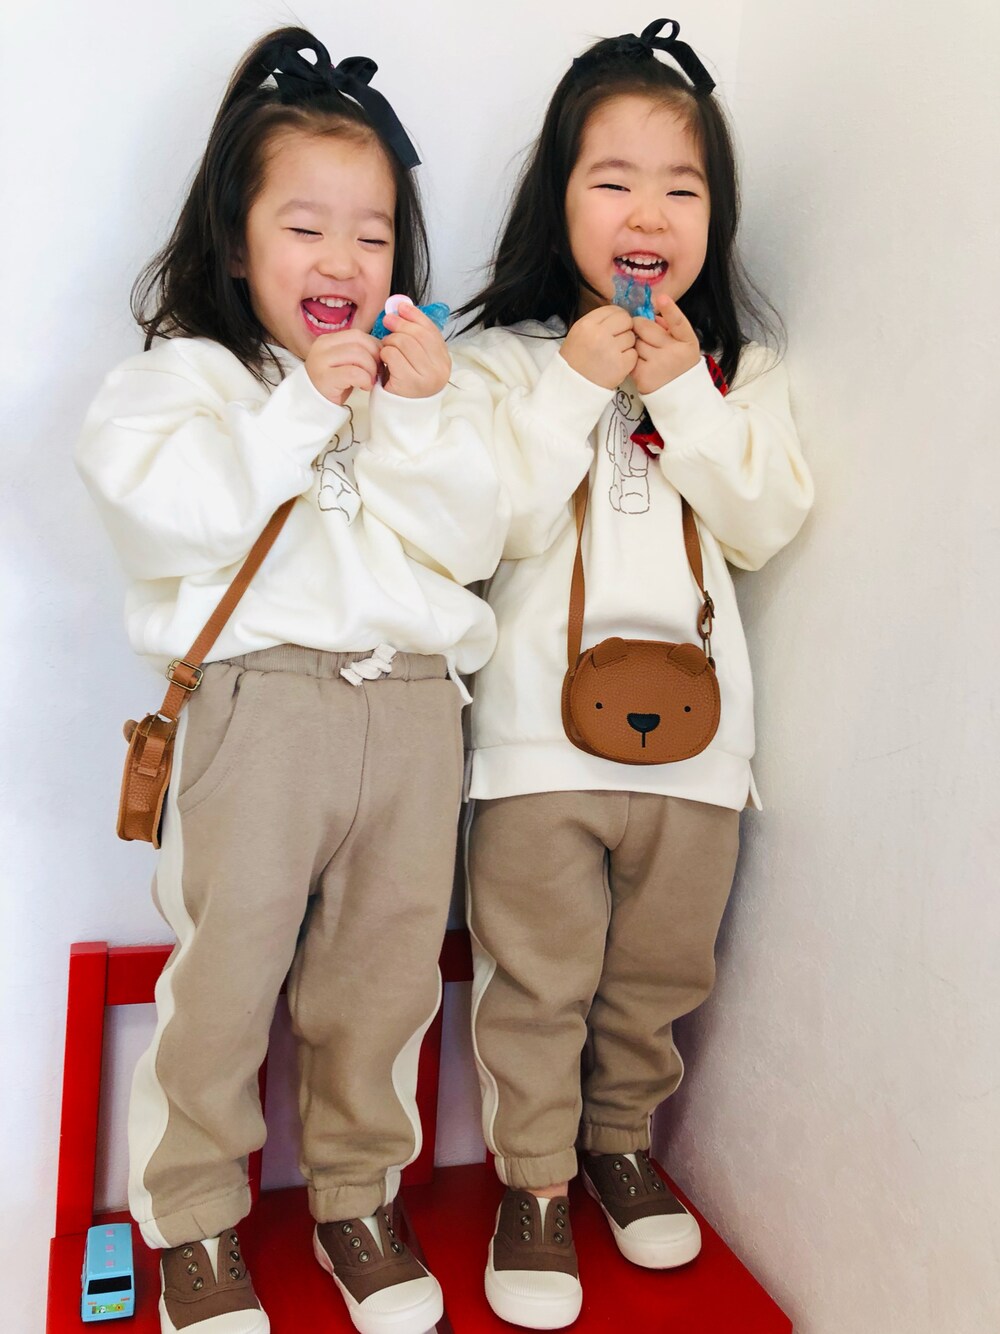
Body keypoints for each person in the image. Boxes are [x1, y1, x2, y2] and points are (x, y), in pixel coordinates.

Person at [76, 27, 505, 1334]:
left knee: (384, 978)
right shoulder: (180, 381)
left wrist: (414, 415)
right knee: (225, 976)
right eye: (304, 227)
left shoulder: (423, 390)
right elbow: (167, 519)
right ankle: (194, 1219)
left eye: (372, 235)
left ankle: (358, 1199)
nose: (341, 260)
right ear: (234, 242)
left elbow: (476, 542)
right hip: (258, 707)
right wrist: (305, 406)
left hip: (416, 704)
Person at [451, 19, 815, 1329]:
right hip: (536, 746)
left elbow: (767, 520)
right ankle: (534, 1183)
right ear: (559, 199)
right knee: (538, 979)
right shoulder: (500, 362)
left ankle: (620, 1146)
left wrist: (691, 398)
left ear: (717, 215)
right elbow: (479, 526)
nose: (648, 212)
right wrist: (568, 387)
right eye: (612, 179)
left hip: (702, 756)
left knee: (662, 974)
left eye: (682, 186)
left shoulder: (741, 373)